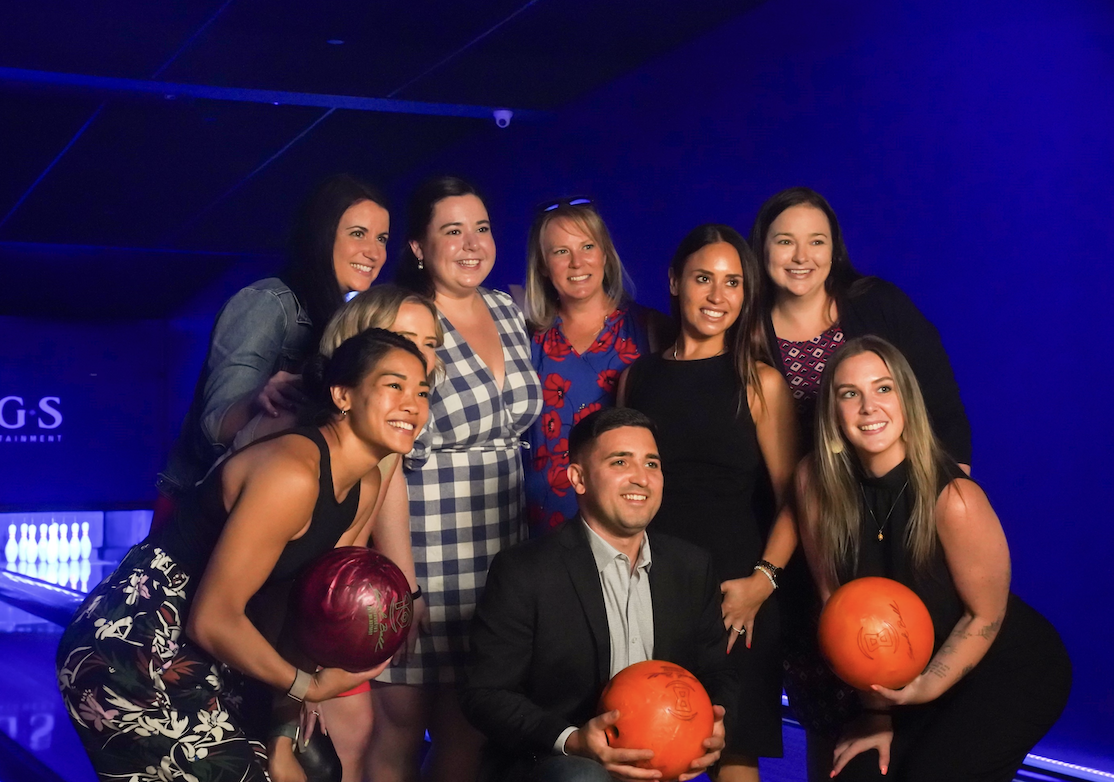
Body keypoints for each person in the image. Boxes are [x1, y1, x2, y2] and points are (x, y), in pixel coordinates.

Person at [57, 329, 431, 780]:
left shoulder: (365, 485)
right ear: (343, 395)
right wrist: (307, 687)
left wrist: (281, 738)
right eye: (394, 386)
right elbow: (211, 618)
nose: (413, 404)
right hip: (131, 648)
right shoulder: (293, 475)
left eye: (422, 391)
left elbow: (305, 614)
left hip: (213, 650)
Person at [747, 187, 972, 758]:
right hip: (809, 536)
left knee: (909, 687)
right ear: (762, 251)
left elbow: (942, 413)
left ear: (834, 248)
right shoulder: (747, 331)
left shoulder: (878, 306)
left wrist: (936, 518)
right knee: (829, 698)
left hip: (898, 528)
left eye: (816, 241)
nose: (801, 256)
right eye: (785, 241)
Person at [795, 336, 1070, 782]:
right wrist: (878, 713)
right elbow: (837, 606)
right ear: (832, 410)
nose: (869, 407)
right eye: (850, 394)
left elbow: (985, 615)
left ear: (906, 399)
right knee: (855, 776)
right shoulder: (814, 483)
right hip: (910, 678)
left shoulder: (954, 499)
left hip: (1005, 669)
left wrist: (926, 688)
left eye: (883, 389)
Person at [370, 176, 543, 782]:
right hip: (426, 549)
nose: (472, 244)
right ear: (418, 246)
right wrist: (404, 582)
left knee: (469, 735)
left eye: (483, 228)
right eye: (452, 231)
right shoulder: (404, 318)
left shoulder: (508, 308)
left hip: (504, 550)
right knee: (400, 730)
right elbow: (384, 458)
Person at [462, 407, 733, 782]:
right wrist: (573, 741)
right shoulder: (524, 571)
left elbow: (717, 674)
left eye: (652, 464)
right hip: (554, 764)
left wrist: (714, 721)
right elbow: (486, 694)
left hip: (663, 764)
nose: (641, 478)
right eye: (620, 462)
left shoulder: (691, 566)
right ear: (578, 478)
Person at [619, 225, 798, 782]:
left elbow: (800, 498)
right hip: (649, 586)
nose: (718, 297)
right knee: (648, 745)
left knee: (734, 751)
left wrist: (763, 582)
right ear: (675, 282)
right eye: (703, 279)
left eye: (733, 283)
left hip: (736, 589)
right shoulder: (637, 378)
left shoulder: (759, 381)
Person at [252, 285, 444, 782]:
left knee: (356, 733)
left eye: (432, 342)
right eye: (406, 337)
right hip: (231, 626)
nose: (424, 355)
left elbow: (348, 542)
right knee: (340, 735)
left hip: (325, 609)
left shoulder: (386, 430)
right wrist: (295, 688)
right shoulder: (298, 439)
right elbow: (271, 584)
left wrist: (407, 590)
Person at [156, 173, 391, 509]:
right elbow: (211, 430)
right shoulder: (268, 303)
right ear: (322, 237)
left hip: (273, 503)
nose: (373, 252)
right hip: (202, 508)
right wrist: (259, 399)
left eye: (381, 238)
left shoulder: (345, 320)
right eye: (358, 234)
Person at [523, 198, 672, 537]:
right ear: (543, 266)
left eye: (587, 246)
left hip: (627, 523)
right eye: (561, 252)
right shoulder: (527, 340)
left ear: (605, 253)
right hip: (543, 530)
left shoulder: (650, 329)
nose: (577, 262)